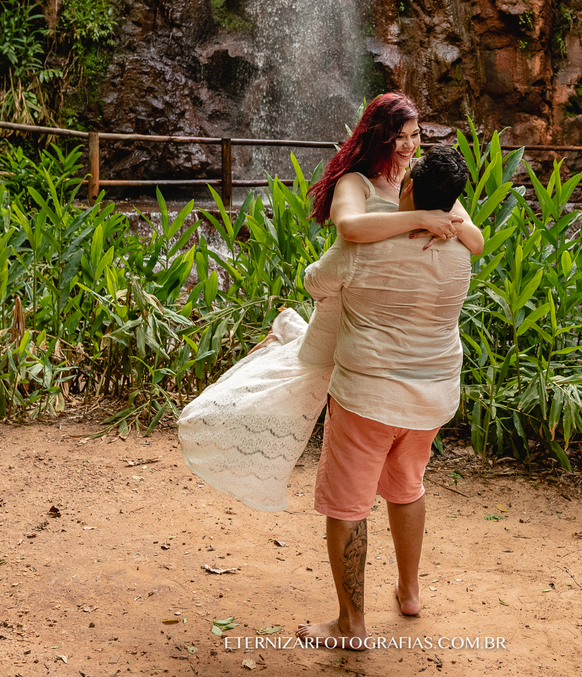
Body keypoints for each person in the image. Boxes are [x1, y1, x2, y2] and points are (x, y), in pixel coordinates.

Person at [178, 94, 481, 511]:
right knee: (309, 366)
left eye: (415, 136)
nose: (410, 146)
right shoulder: (357, 182)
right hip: (348, 298)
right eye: (400, 137)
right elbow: (351, 227)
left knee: (324, 372)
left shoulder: (422, 181)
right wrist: (420, 219)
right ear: (379, 137)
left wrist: (447, 222)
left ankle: (287, 328)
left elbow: (476, 241)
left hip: (380, 308)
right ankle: (282, 339)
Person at [297, 145, 475, 650]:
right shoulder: (462, 251)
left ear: (410, 188)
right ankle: (409, 592)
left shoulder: (364, 248)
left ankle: (351, 625)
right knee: (407, 487)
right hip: (431, 399)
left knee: (348, 505)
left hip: (366, 398)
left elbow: (315, 283)